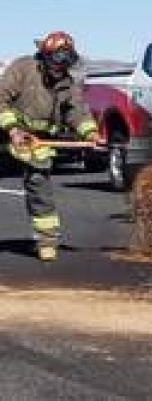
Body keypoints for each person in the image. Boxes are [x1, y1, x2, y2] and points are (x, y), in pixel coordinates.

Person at [0, 31, 103, 261]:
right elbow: (0, 98)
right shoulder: (23, 68)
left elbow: (77, 112)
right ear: (45, 57)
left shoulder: (68, 83)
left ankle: (46, 240)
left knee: (39, 184)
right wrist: (13, 129)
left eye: (63, 66)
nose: (58, 71)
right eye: (55, 65)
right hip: (6, 130)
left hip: (37, 139)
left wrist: (91, 132)